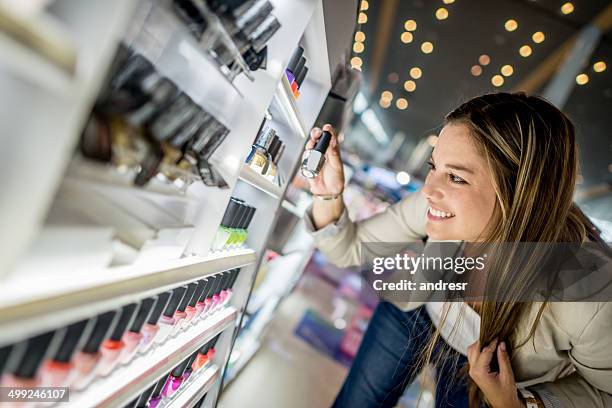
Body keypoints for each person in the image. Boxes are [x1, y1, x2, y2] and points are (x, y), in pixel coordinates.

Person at [303, 92, 612, 408]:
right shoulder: (434, 206)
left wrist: (523, 404)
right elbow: (349, 250)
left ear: (518, 192)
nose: (428, 190)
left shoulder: (589, 289)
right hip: (415, 311)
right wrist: (328, 194)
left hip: (493, 380)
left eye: (456, 177)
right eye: (433, 167)